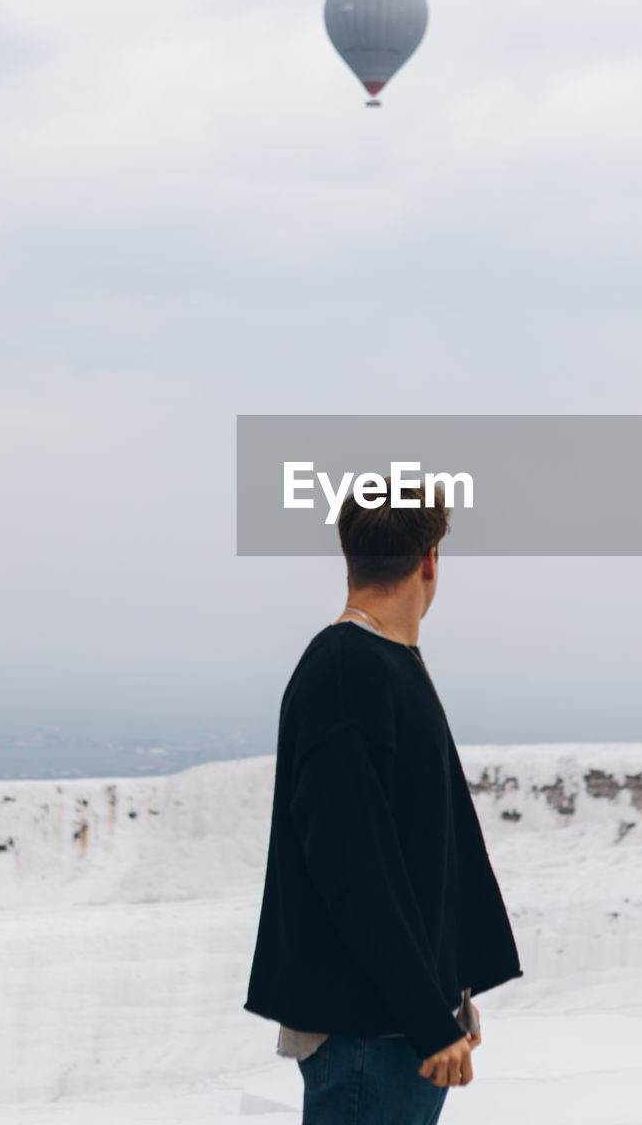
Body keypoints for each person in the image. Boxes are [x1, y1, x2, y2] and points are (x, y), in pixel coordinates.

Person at [244, 478, 522, 1124]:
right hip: (370, 1034)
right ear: (430, 560)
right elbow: (353, 869)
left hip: (392, 1025)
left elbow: (414, 852)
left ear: (349, 554)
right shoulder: (350, 672)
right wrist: (428, 1016)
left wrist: (448, 992)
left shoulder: (383, 662)